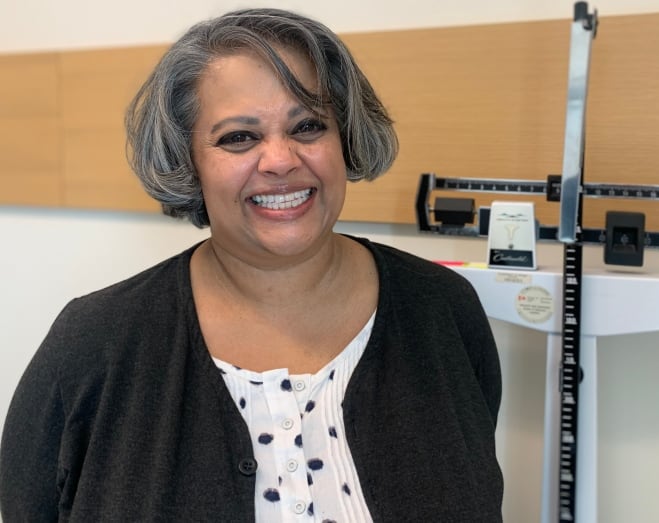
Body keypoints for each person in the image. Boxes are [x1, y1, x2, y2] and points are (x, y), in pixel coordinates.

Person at [0, 8, 503, 522]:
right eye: (238, 137)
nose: (280, 160)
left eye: (308, 126)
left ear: (345, 138)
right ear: (187, 163)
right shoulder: (90, 345)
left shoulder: (443, 311)